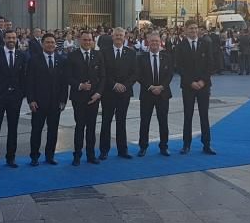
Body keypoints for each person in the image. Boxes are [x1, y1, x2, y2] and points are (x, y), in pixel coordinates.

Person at [0, 30, 26, 170]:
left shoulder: (21, 55)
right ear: (4, 39)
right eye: (9, 37)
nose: (11, 40)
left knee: (13, 128)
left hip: (15, 97)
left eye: (13, 38)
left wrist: (21, 93)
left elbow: (24, 76)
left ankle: (11, 157)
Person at [174, 20, 216, 155]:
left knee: (204, 115)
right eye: (190, 28)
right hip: (188, 86)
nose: (193, 31)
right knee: (188, 115)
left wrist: (203, 81)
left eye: (195, 28)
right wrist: (191, 82)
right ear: (185, 30)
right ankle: (186, 144)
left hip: (204, 85)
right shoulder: (180, 46)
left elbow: (211, 64)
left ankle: (207, 144)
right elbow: (179, 67)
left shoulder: (206, 44)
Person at [26, 33, 68, 166]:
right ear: (42, 44)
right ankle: (34, 156)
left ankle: (50, 155)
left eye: (52, 42)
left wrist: (63, 100)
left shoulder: (61, 60)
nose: (50, 45)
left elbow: (64, 83)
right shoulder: (34, 60)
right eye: (48, 42)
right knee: (36, 130)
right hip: (38, 102)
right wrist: (31, 100)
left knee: (53, 131)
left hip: (55, 102)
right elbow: (30, 82)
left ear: (55, 44)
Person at [66, 31, 105, 166]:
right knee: (80, 127)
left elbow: (103, 76)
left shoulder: (97, 55)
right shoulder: (72, 56)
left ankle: (91, 155)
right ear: (79, 40)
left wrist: (98, 93)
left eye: (89, 40)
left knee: (92, 127)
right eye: (85, 40)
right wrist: (80, 85)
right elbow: (68, 77)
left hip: (94, 98)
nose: (87, 42)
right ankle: (77, 155)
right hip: (79, 97)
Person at [99, 27, 137, 160]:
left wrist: (124, 86)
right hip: (109, 92)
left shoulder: (131, 53)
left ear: (125, 37)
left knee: (121, 121)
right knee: (106, 121)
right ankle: (104, 150)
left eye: (121, 35)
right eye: (116, 35)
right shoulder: (104, 52)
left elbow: (134, 73)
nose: (118, 37)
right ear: (112, 37)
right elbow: (103, 73)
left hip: (124, 93)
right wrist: (114, 84)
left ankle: (122, 150)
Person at [137, 32, 173, 157]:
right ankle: (143, 147)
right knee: (144, 122)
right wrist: (151, 87)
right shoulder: (141, 58)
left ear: (160, 43)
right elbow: (139, 75)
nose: (154, 43)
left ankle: (164, 146)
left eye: (156, 41)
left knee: (163, 121)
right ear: (148, 43)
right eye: (152, 41)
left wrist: (162, 87)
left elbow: (170, 75)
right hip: (147, 94)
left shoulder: (167, 57)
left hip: (163, 94)